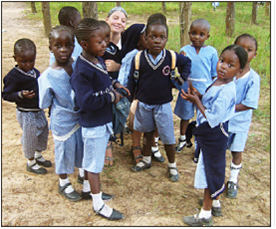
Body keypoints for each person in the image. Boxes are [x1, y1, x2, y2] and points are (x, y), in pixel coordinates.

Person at [181, 45, 248, 226]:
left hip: (214, 134)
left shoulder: (227, 90)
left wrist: (197, 102)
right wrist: (199, 95)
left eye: (230, 65)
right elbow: (210, 103)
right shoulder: (219, 81)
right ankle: (215, 202)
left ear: (239, 71)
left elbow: (213, 117)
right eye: (221, 60)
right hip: (208, 132)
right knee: (211, 167)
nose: (223, 66)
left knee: (209, 170)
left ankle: (205, 214)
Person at [71, 18, 128, 220]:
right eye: (100, 41)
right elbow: (86, 101)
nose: (106, 44)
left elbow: (104, 80)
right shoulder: (81, 71)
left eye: (106, 39)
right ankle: (98, 204)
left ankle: (88, 189)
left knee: (91, 161)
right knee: (94, 166)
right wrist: (112, 97)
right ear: (85, 44)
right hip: (93, 124)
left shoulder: (98, 59)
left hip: (102, 121)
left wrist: (115, 85)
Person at [127, 14, 191, 182]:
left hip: (163, 105)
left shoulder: (171, 57)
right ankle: (146, 159)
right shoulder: (139, 58)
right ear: (146, 38)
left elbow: (187, 63)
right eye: (153, 37)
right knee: (147, 133)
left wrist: (179, 80)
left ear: (167, 39)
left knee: (168, 137)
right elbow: (131, 80)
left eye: (162, 37)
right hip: (144, 104)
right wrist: (130, 99)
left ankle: (172, 165)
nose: (157, 40)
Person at [2, 38, 52, 175]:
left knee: (43, 132)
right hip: (26, 112)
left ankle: (38, 155)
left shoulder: (34, 72)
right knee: (30, 136)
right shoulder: (13, 77)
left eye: (31, 61)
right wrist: (20, 95)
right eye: (23, 62)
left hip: (38, 109)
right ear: (15, 59)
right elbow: (6, 95)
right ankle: (30, 162)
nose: (28, 64)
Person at [174, 18, 218, 153]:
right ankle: (182, 138)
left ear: (207, 36)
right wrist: (181, 61)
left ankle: (200, 143)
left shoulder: (211, 52)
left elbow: (213, 74)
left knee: (202, 116)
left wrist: (210, 90)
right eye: (193, 33)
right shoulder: (185, 50)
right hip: (187, 89)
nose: (197, 37)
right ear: (189, 34)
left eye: (201, 34)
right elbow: (181, 71)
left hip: (204, 90)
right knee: (185, 115)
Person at [225, 34, 260, 199]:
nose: (245, 53)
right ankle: (216, 178)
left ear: (255, 54)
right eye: (241, 49)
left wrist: (228, 108)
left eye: (249, 50)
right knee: (218, 151)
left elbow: (249, 103)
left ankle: (233, 179)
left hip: (240, 124)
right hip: (222, 123)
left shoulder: (253, 78)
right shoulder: (227, 72)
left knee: (236, 152)